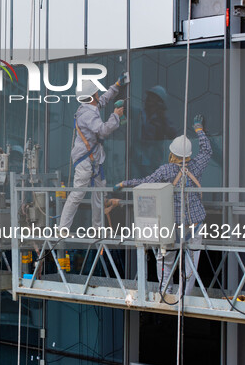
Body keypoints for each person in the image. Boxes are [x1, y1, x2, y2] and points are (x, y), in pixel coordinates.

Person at [114, 114, 212, 295]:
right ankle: (184, 296)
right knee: (191, 262)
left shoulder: (166, 170)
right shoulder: (196, 166)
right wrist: (200, 131)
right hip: (195, 223)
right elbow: (207, 152)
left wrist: (123, 184)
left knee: (165, 258)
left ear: (172, 153)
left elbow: (145, 182)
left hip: (173, 225)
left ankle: (166, 292)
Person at [58, 74, 128, 231]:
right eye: (96, 93)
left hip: (93, 160)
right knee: (77, 194)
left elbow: (103, 100)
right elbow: (103, 131)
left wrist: (116, 86)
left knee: (98, 195)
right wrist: (115, 116)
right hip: (85, 161)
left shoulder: (89, 107)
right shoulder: (88, 114)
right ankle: (63, 228)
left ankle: (97, 229)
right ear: (92, 96)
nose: (98, 95)